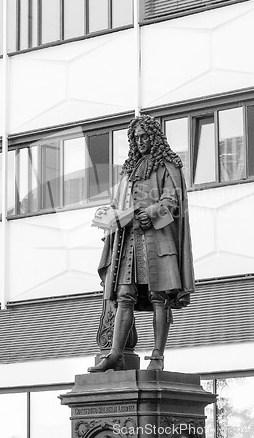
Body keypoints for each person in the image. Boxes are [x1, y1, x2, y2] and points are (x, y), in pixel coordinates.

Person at [88, 114, 195, 372]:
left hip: (157, 239)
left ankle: (157, 356)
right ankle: (115, 354)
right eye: (136, 138)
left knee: (159, 296)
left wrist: (153, 211)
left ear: (154, 137)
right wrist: (108, 216)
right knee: (124, 295)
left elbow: (173, 201)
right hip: (129, 241)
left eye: (144, 136)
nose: (140, 141)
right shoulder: (129, 170)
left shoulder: (168, 165)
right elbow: (117, 203)